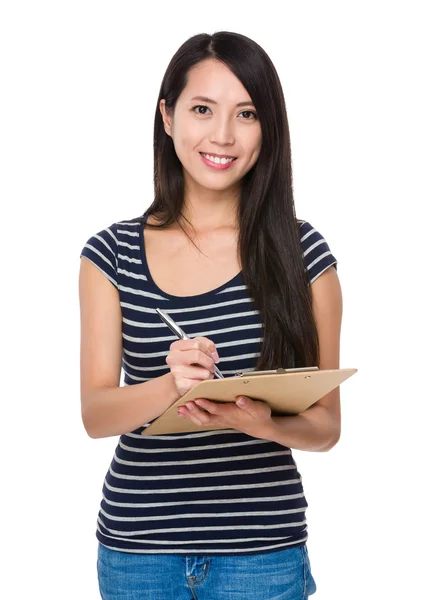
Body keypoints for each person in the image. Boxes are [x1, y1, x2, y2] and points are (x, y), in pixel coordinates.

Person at [79, 30, 342, 600]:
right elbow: (96, 414)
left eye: (246, 114)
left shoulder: (304, 255)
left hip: (262, 552)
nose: (222, 135)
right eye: (202, 109)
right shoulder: (111, 254)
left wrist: (264, 425)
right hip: (138, 550)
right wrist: (170, 386)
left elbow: (327, 427)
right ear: (168, 116)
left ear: (267, 129)